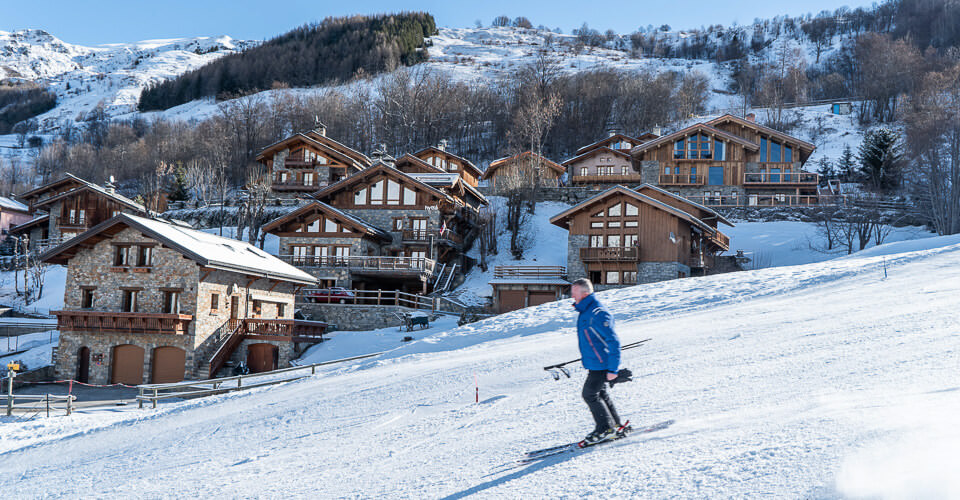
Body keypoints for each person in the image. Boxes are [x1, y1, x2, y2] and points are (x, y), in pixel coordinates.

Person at [571, 278, 622, 444]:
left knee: (589, 394)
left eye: (574, 292)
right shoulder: (586, 311)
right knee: (600, 393)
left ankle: (605, 428)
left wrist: (613, 370)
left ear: (584, 293)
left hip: (602, 364)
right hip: (594, 363)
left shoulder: (597, 313)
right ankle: (615, 425)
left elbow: (613, 342)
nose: (572, 295)